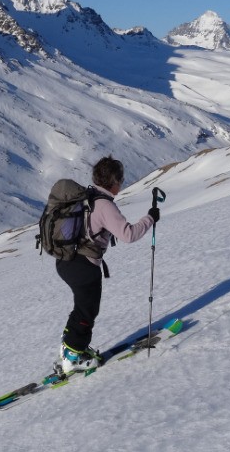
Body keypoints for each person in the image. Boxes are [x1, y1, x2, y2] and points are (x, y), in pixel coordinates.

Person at [57, 155, 160, 373]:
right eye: (120, 181)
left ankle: (70, 348)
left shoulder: (85, 197)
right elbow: (128, 235)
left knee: (82, 308)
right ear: (114, 182)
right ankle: (72, 359)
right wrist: (150, 218)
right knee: (87, 312)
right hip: (84, 266)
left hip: (65, 260)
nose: (121, 185)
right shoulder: (104, 205)